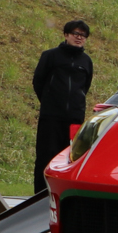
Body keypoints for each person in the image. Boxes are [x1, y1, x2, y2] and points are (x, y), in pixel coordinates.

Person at [31, 19, 95, 193]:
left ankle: (62, 193)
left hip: (74, 119)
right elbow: (38, 82)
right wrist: (50, 102)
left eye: (83, 35)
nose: (79, 38)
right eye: (76, 34)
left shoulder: (86, 61)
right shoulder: (50, 56)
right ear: (66, 35)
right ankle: (40, 194)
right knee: (45, 156)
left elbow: (85, 87)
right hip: (51, 117)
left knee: (69, 159)